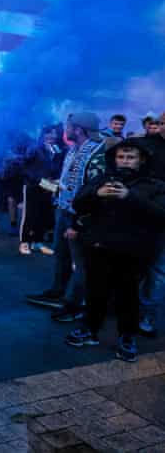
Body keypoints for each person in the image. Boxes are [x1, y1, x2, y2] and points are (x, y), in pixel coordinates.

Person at [65, 139, 165, 362]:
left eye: (130, 157)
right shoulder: (101, 179)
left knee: (127, 296)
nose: (125, 161)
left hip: (132, 251)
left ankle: (126, 336)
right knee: (95, 292)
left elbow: (160, 215)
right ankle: (90, 329)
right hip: (99, 247)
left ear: (141, 161)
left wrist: (129, 197)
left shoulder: (154, 185)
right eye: (121, 157)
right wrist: (96, 194)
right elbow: (78, 203)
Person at [26, 113, 111, 323]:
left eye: (69, 126)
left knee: (80, 263)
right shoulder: (74, 149)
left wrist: (80, 221)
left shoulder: (98, 153)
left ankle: (75, 305)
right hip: (64, 210)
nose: (66, 129)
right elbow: (68, 183)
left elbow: (94, 192)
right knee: (61, 254)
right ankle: (57, 292)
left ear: (79, 129)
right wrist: (46, 184)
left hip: (80, 216)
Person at [19, 125, 65, 256]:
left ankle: (37, 242)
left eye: (54, 133)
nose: (52, 136)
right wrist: (44, 182)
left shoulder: (56, 149)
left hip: (47, 186)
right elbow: (26, 168)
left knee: (43, 215)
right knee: (29, 215)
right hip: (33, 185)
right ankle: (24, 243)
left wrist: (55, 180)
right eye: (48, 133)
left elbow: (56, 168)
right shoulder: (34, 148)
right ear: (42, 134)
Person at [139, 112, 165, 336]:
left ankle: (148, 314)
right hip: (140, 214)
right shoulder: (145, 146)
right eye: (162, 122)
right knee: (134, 264)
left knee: (158, 270)